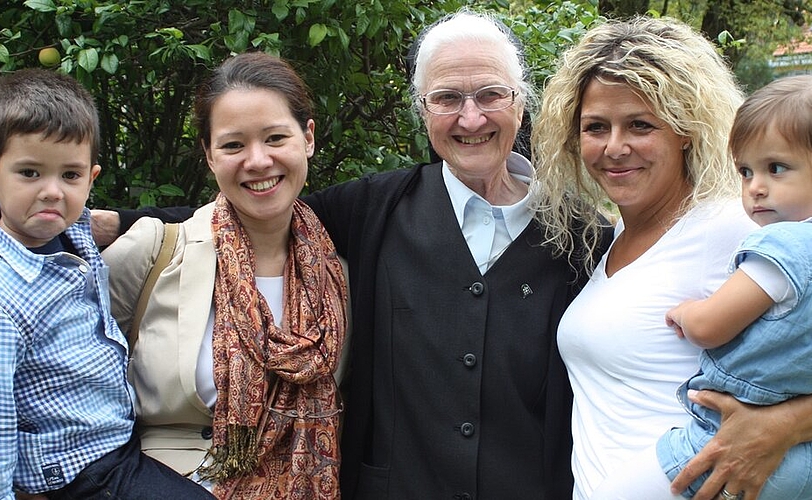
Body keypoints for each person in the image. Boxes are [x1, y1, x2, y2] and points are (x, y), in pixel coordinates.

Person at [93, 9, 599, 499]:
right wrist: (111, 220)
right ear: (422, 110)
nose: (471, 117)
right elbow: (260, 205)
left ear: (521, 102)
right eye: (446, 97)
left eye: (491, 94)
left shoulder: (582, 238)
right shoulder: (375, 209)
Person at [532, 16, 812, 500]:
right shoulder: (609, 238)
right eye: (595, 127)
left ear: (684, 130)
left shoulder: (743, 226)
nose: (614, 147)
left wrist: (785, 427)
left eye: (639, 125)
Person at [101, 53, 348, 499]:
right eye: (233, 145)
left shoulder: (339, 276)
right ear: (209, 154)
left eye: (275, 137)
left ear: (307, 138)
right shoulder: (154, 251)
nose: (258, 161)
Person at [0, 69, 213, 500]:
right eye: (29, 172)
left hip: (115, 440)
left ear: (92, 178)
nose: (52, 191)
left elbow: (186, 219)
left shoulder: (74, 232)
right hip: (77, 470)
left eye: (70, 175)